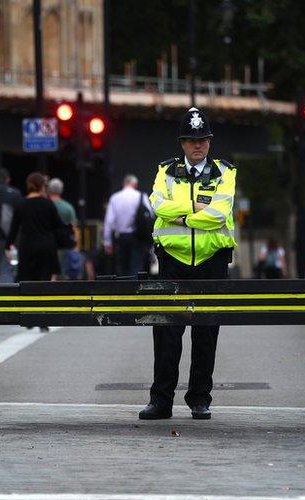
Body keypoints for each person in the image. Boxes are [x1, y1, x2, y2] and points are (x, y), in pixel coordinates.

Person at [140, 107, 237, 421]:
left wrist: (177, 212)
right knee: (167, 331)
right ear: (182, 143)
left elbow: (219, 214)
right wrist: (195, 208)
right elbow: (156, 203)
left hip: (212, 260)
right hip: (173, 260)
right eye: (192, 140)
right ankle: (161, 401)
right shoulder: (166, 171)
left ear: (210, 141)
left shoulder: (225, 171)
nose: (199, 145)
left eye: (203, 140)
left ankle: (199, 398)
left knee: (206, 331)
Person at [103, 174, 153, 277]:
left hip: (121, 237)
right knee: (136, 266)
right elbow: (150, 215)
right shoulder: (141, 196)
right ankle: (134, 290)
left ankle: (122, 290)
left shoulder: (115, 198)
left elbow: (109, 221)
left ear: (124, 184)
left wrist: (107, 242)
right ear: (135, 184)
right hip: (138, 236)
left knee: (121, 267)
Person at [47, 177, 83, 279]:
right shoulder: (68, 207)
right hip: (64, 246)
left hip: (48, 244)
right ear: (61, 190)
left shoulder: (45, 205)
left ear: (49, 189)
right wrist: (76, 247)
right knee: (63, 274)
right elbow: (75, 228)